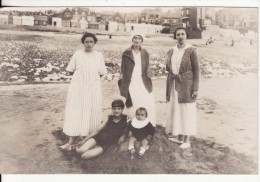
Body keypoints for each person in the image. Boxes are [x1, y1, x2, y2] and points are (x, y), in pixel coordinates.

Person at [60, 32, 107, 150]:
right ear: (83, 43)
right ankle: (71, 142)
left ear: (95, 43)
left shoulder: (98, 55)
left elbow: (102, 72)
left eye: (91, 42)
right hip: (78, 88)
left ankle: (84, 141)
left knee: (91, 112)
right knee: (76, 112)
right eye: (87, 42)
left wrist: (92, 82)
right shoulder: (78, 54)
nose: (89, 44)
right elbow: (69, 70)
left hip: (92, 89)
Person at [165, 27, 200, 149]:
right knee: (176, 109)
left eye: (182, 34)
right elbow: (168, 67)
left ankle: (187, 140)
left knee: (186, 109)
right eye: (178, 34)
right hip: (174, 83)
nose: (180, 36)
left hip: (187, 85)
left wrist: (195, 88)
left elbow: (196, 70)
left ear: (186, 36)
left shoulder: (191, 50)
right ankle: (179, 136)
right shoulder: (171, 50)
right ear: (175, 36)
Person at [119, 31, 156, 127]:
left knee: (147, 100)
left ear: (142, 40)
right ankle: (133, 125)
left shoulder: (145, 53)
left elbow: (146, 68)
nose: (137, 40)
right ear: (132, 39)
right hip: (130, 81)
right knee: (132, 103)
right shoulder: (126, 53)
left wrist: (147, 79)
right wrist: (125, 85)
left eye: (139, 38)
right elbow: (123, 70)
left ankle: (147, 124)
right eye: (135, 38)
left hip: (142, 80)